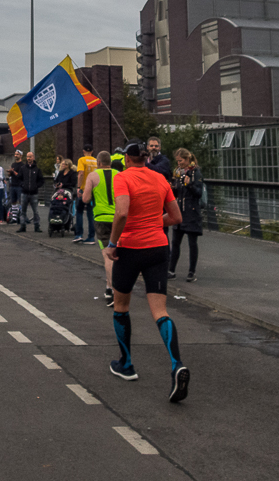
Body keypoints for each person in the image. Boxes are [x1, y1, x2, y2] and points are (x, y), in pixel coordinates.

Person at [107, 140, 189, 402]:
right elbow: (176, 217)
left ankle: (127, 363)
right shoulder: (160, 178)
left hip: (130, 248)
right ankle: (176, 364)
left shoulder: (122, 178)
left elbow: (121, 212)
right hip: (158, 248)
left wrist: (112, 243)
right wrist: (155, 222)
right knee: (160, 311)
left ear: (126, 159)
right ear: (144, 157)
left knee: (121, 306)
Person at [82, 150, 118, 306]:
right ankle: (113, 288)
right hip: (118, 217)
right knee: (118, 253)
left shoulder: (93, 176)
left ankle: (113, 290)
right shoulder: (119, 174)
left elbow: (85, 198)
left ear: (98, 162)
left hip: (101, 217)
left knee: (107, 256)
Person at [169, 149, 204, 281]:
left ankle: (192, 272)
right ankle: (171, 270)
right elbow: (177, 193)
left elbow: (198, 193)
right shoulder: (177, 173)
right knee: (175, 242)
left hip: (191, 212)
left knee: (192, 243)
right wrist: (173, 189)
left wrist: (189, 185)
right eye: (177, 161)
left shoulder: (196, 173)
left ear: (187, 159)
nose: (179, 163)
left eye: (181, 161)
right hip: (179, 211)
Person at [14, 149, 45, 233]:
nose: (29, 158)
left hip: (34, 193)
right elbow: (19, 178)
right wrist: (22, 185)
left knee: (35, 211)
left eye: (30, 157)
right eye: (27, 156)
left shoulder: (37, 169)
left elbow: (41, 180)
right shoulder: (23, 168)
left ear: (33, 158)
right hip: (24, 192)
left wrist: (36, 186)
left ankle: (37, 226)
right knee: (23, 211)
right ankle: (23, 226)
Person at [74, 146, 97, 243]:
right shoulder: (96, 161)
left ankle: (79, 234)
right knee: (90, 213)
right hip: (93, 189)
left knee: (79, 211)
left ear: (83, 151)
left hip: (84, 188)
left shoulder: (81, 160)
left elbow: (81, 173)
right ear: (92, 151)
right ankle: (91, 237)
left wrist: (79, 187)